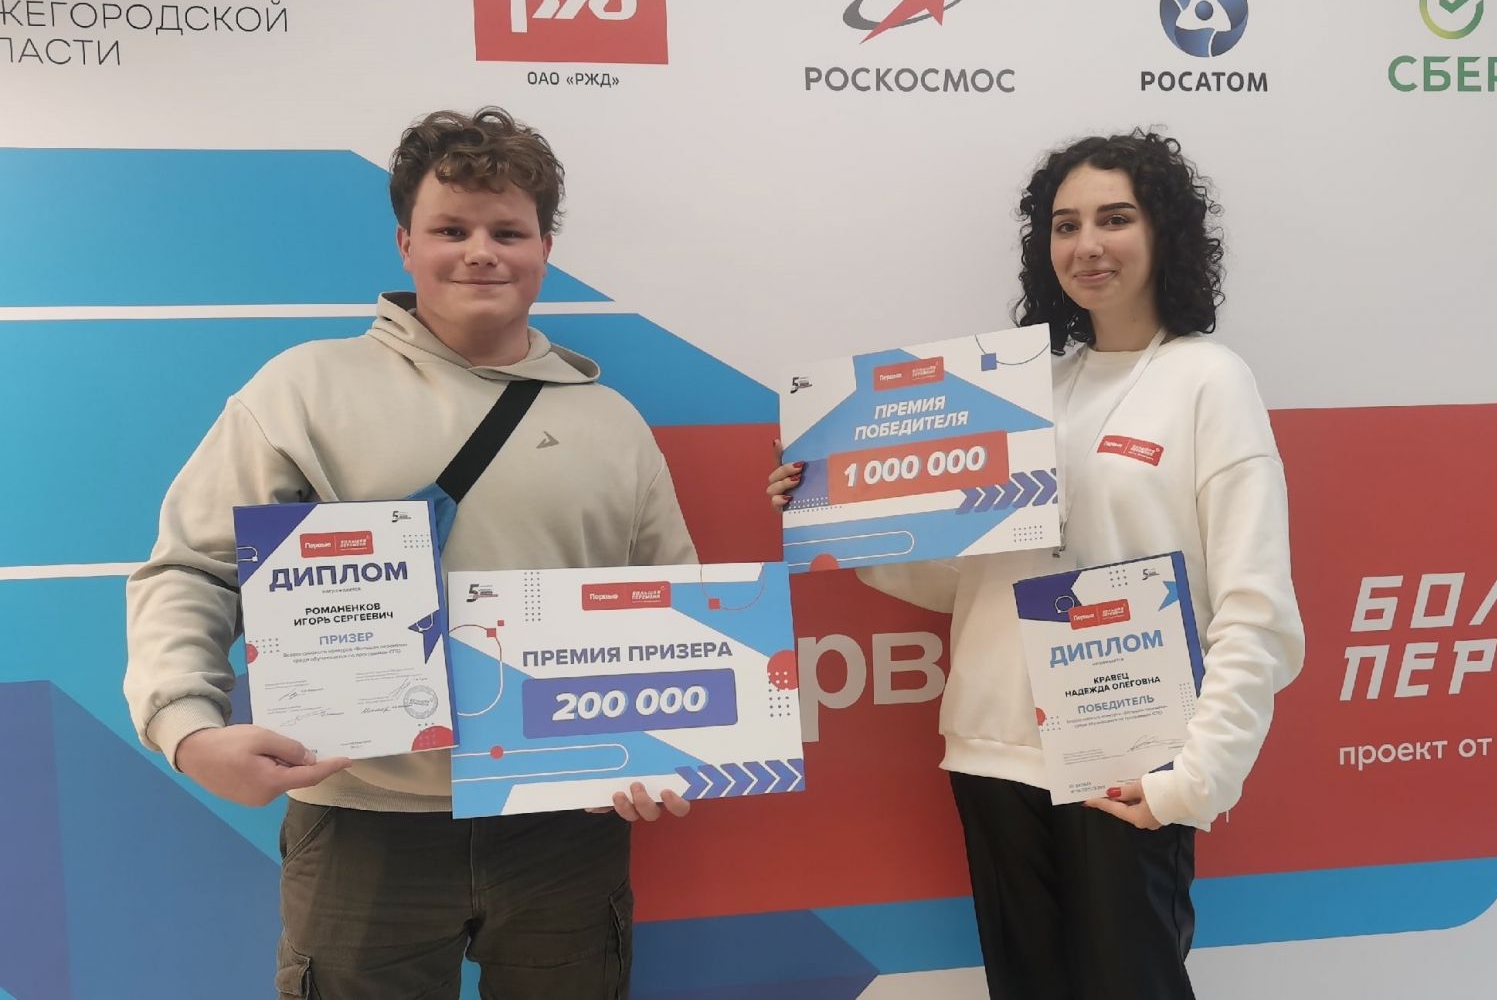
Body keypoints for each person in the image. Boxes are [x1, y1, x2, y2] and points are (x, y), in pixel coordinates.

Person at [125, 107, 696, 999]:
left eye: (508, 231)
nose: (481, 252)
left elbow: (672, 603)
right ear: (405, 243)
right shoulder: (303, 389)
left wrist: (673, 742)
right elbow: (193, 568)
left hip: (565, 818)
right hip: (363, 820)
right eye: (451, 229)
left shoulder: (612, 421)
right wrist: (184, 727)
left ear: (545, 248)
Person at [768, 131, 1305, 1000]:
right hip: (994, 755)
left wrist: (1195, 778)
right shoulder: (1023, 394)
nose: (1088, 244)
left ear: (1164, 231)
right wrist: (838, 512)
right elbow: (971, 580)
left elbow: (1256, 610)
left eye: (1115, 218)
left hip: (1127, 760)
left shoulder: (1210, 381)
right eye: (1066, 225)